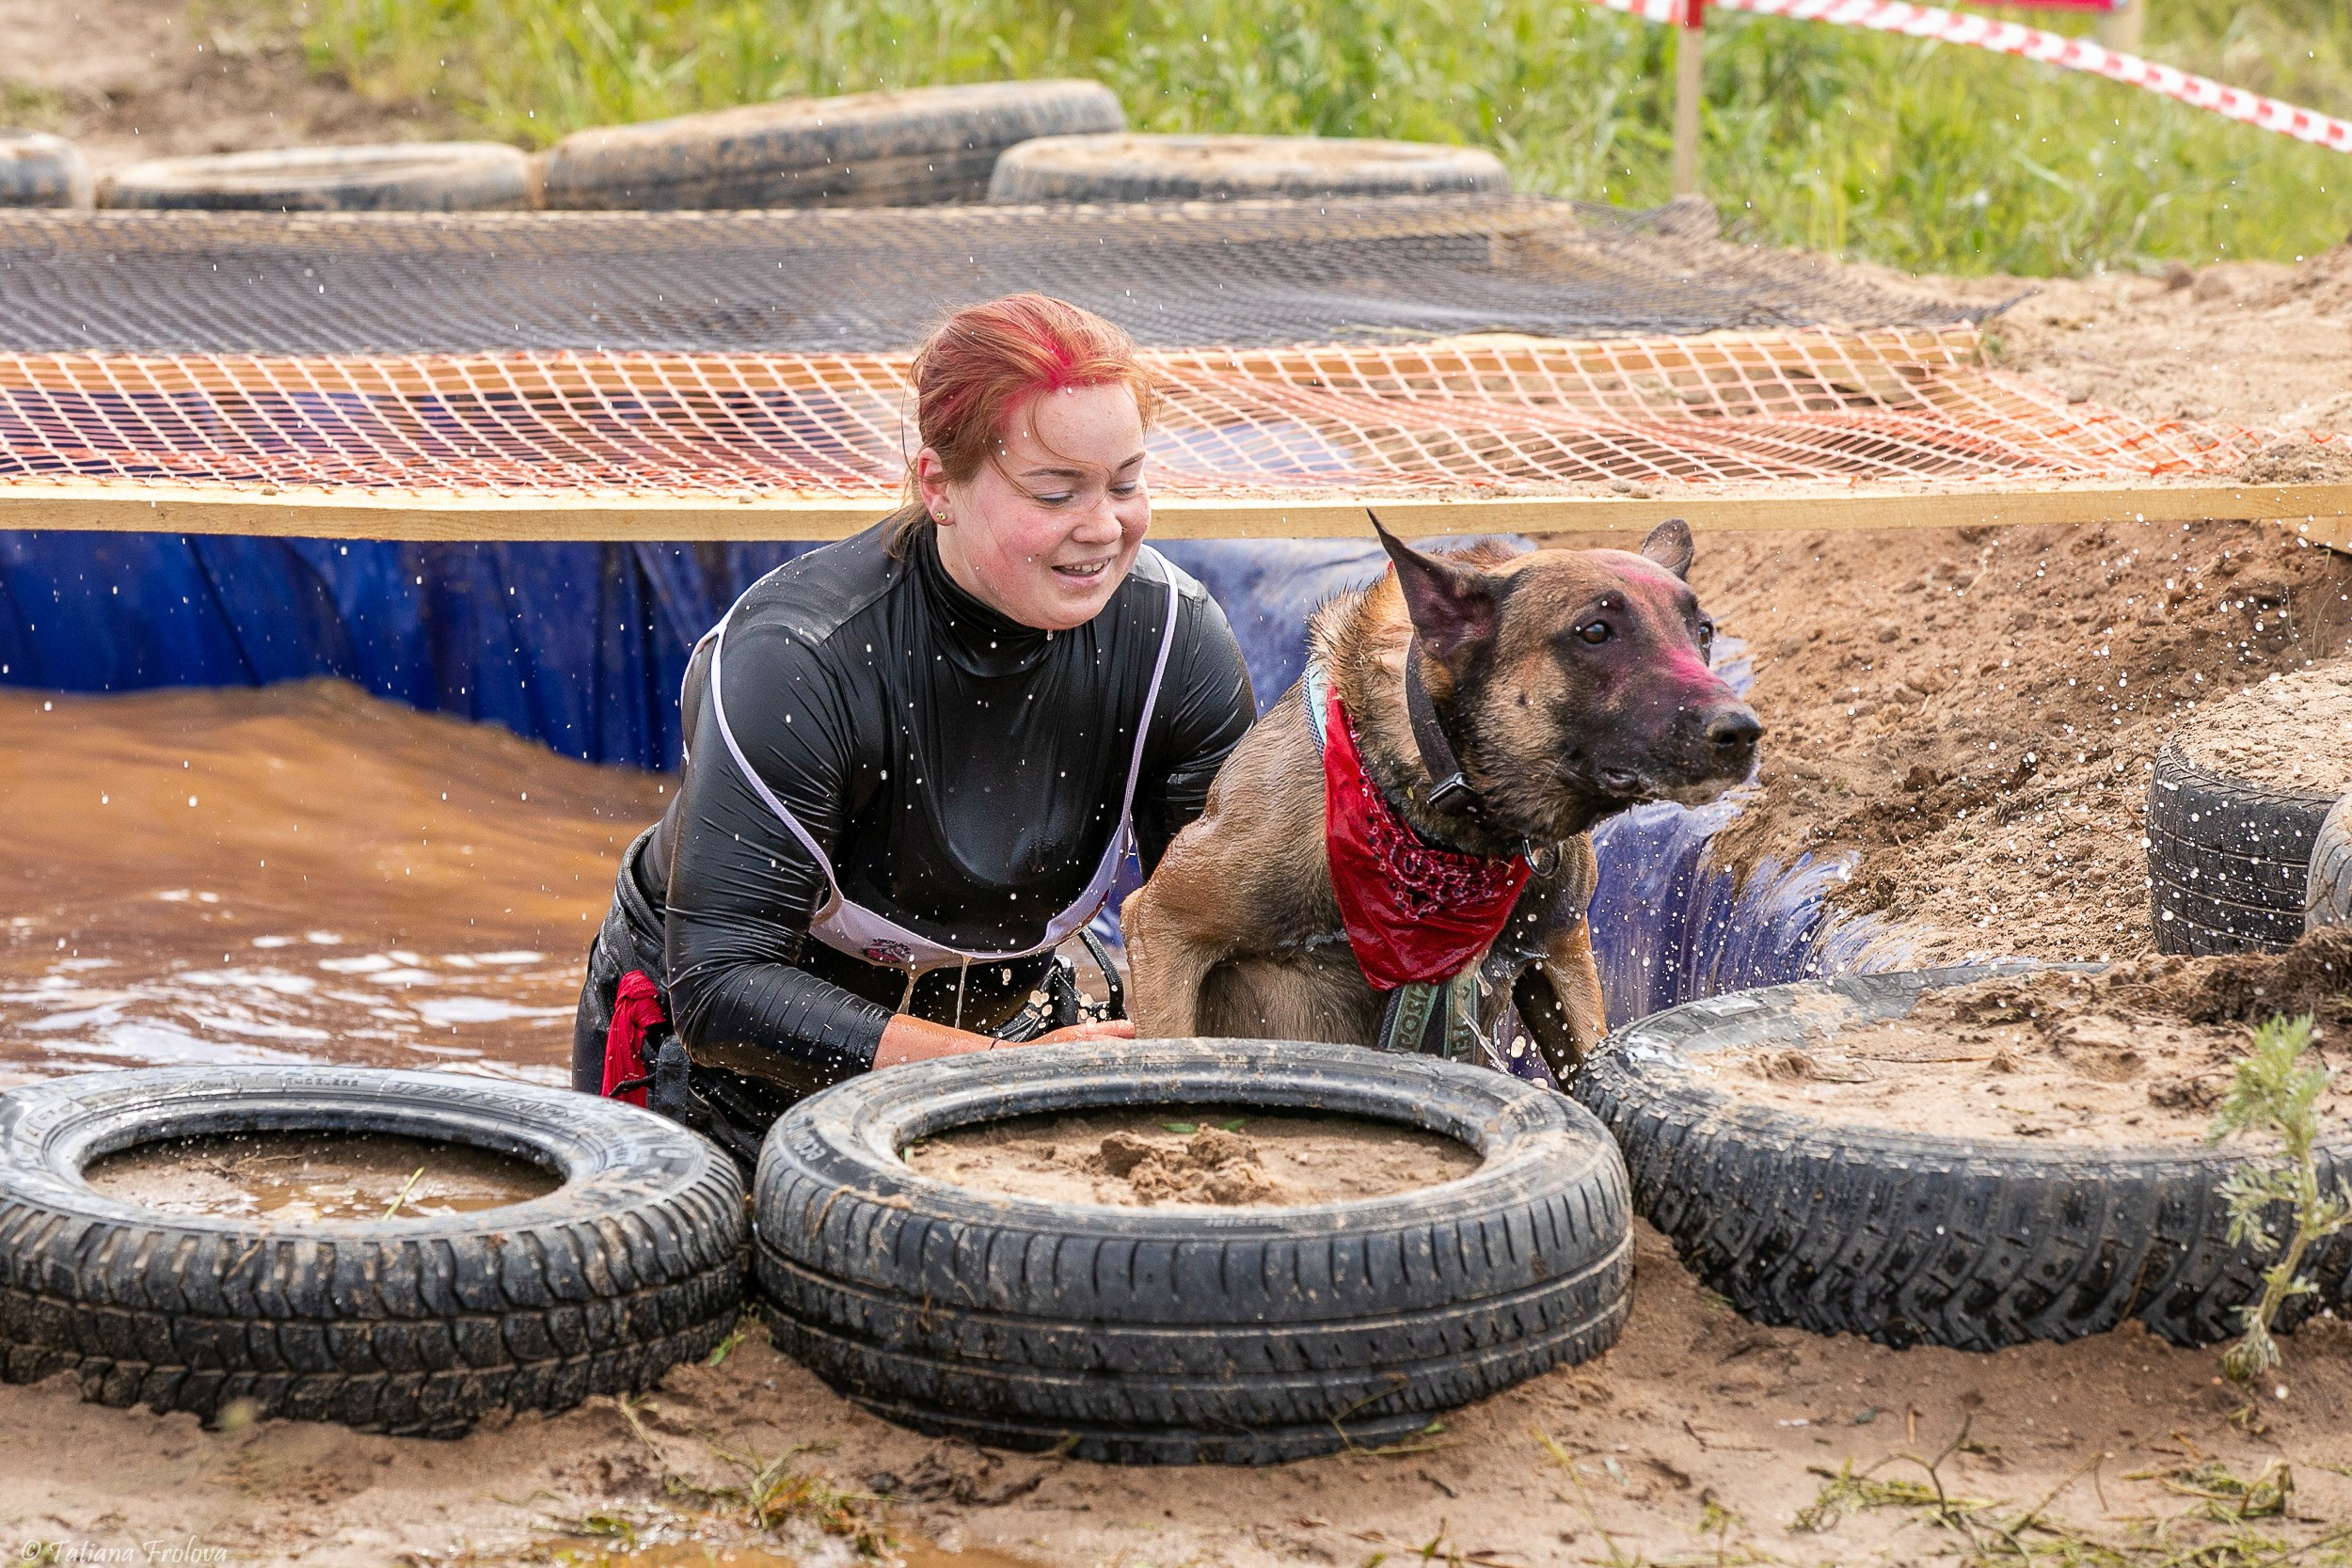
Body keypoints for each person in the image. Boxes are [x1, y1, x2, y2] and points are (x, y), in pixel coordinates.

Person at [573, 293, 1257, 1166]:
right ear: (940, 486)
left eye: (1126, 482)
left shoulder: (1175, 645)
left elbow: (1219, 937)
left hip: (1010, 1030)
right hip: (723, 1059)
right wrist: (1007, 1075)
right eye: (1056, 492)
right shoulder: (798, 661)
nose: (1103, 527)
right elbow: (722, 987)